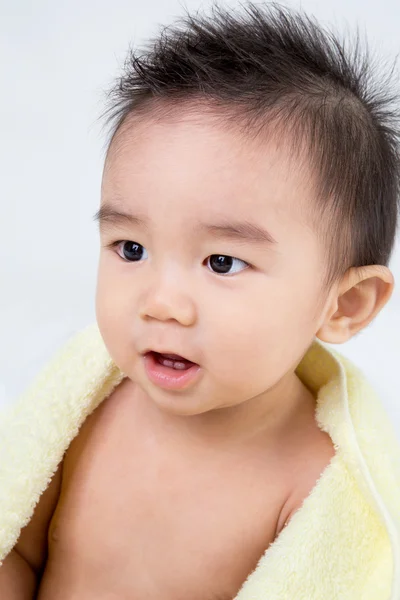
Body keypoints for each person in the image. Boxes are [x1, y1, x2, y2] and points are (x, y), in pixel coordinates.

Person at [1, 2, 400, 598]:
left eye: (221, 262)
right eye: (131, 248)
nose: (161, 303)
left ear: (344, 305)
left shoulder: (318, 487)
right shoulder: (86, 408)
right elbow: (16, 552)